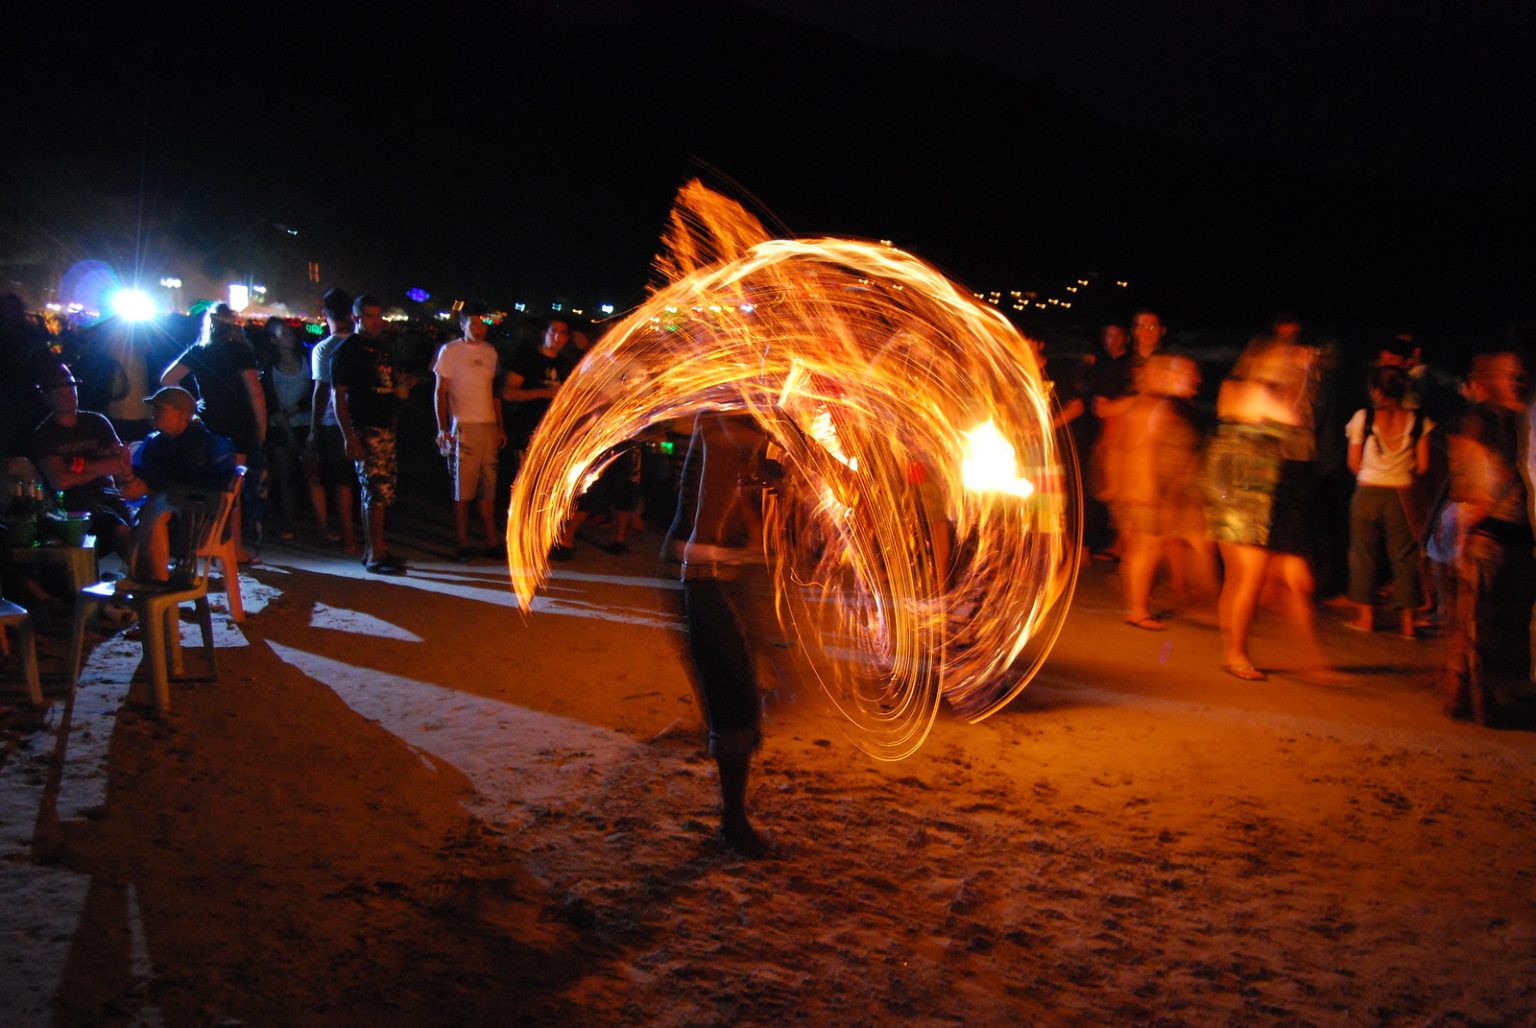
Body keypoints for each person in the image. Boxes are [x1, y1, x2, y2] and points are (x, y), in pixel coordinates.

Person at [665, 411, 776, 857]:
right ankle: (733, 823)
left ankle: (734, 813)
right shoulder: (728, 428)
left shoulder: (740, 428)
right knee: (734, 699)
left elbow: (740, 484)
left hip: (721, 571)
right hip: (706, 574)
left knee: (739, 692)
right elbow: (717, 487)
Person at [1204, 334, 1338, 683]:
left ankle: (1230, 649)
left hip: (1225, 486)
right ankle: (1237, 654)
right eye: (1283, 359)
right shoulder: (1262, 392)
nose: (1288, 364)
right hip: (1247, 492)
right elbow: (1296, 421)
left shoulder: (1232, 388)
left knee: (1236, 577)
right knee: (1249, 576)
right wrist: (1305, 376)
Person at [1442, 351, 1531, 724]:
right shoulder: (1485, 418)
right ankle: (1480, 703)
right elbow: (1471, 470)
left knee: (1482, 619)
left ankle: (1463, 698)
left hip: (1507, 530)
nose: (1517, 381)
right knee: (1482, 621)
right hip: (1491, 528)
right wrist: (1465, 529)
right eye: (1510, 375)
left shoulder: (1514, 419)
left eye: (1521, 376)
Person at [1112, 353, 1216, 629]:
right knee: (1145, 549)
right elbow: (1139, 448)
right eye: (1186, 373)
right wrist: (1143, 489)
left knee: (1196, 542)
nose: (1195, 379)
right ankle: (1136, 610)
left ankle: (1205, 603)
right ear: (1166, 375)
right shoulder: (1151, 405)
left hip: (1174, 491)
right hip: (1151, 492)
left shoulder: (1171, 405)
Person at [161, 304, 265, 559]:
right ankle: (233, 548)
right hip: (238, 424)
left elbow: (167, 380)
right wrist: (261, 427)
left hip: (210, 423)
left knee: (212, 487)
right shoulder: (240, 351)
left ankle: (206, 543)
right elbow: (254, 392)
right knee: (232, 491)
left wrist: (194, 404)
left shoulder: (199, 351)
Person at [1343, 365, 1432, 639]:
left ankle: (1365, 618)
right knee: (1404, 558)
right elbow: (1424, 466)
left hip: (1368, 492)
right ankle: (1408, 625)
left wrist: (1374, 471)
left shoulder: (1363, 417)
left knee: (1364, 555)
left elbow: (1353, 463)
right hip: (1402, 494)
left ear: (1377, 391)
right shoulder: (1419, 421)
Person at [332, 294, 411, 575]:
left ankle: (379, 548)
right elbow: (338, 395)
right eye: (370, 316)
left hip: (385, 427)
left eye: (379, 315)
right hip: (365, 427)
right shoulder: (349, 349)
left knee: (384, 489)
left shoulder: (384, 348)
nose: (377, 321)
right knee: (374, 489)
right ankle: (374, 551)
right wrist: (349, 436)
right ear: (357, 318)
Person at [29, 361, 137, 562]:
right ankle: (145, 580)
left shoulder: (97, 422)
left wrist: (79, 467)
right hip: (75, 507)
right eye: (60, 392)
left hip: (110, 498)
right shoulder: (45, 434)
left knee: (143, 527)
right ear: (47, 397)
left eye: (70, 389)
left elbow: (121, 462)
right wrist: (102, 468)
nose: (68, 395)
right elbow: (59, 481)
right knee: (120, 531)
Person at [131, 386, 237, 583]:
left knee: (159, 505)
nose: (154, 415)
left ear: (183, 414)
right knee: (139, 516)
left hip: (199, 522)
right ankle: (153, 578)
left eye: (160, 410)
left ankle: (159, 582)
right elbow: (144, 473)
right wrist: (133, 482)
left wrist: (153, 487)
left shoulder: (208, 444)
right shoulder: (157, 442)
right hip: (172, 519)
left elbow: (205, 487)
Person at [432, 303, 505, 560]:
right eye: (473, 323)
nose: (479, 329)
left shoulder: (490, 352)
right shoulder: (450, 351)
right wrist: (442, 427)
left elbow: (493, 393)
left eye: (482, 323)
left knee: (488, 486)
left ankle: (491, 539)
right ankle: (462, 541)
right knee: (462, 489)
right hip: (463, 426)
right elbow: (440, 392)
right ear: (462, 325)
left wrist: (499, 426)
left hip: (487, 426)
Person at [503, 317, 577, 558]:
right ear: (544, 333)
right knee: (528, 488)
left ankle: (540, 541)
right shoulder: (527, 358)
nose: (558, 336)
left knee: (549, 488)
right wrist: (544, 392)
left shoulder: (567, 364)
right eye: (553, 331)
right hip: (527, 430)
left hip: (555, 435)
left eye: (563, 333)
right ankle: (521, 542)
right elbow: (508, 393)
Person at [304, 288, 359, 554]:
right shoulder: (361, 344)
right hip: (363, 420)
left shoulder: (323, 349)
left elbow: (321, 390)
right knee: (364, 482)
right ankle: (370, 539)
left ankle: (349, 539)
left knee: (341, 483)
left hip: (333, 423)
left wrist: (313, 431)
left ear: (326, 313)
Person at [261, 317, 316, 541]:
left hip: (306, 423)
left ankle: (314, 521)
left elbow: (315, 390)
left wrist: (294, 409)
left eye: (291, 333)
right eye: (284, 334)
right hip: (280, 427)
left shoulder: (307, 360)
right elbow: (270, 400)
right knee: (286, 476)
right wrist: (285, 422)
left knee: (311, 475)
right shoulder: (269, 367)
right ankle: (289, 522)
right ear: (273, 340)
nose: (290, 337)